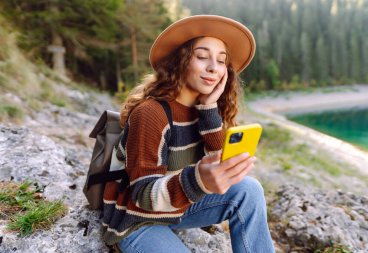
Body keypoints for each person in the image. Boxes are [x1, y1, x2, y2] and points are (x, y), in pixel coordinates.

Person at [101, 15, 275, 253]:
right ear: (180, 62)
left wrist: (209, 108)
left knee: (249, 190)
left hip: (176, 209)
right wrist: (199, 180)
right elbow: (143, 196)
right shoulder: (151, 114)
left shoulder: (204, 110)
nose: (213, 67)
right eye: (202, 56)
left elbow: (217, 164)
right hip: (138, 219)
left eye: (221, 61)